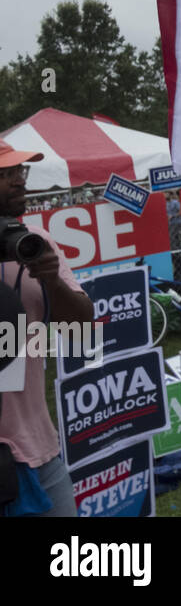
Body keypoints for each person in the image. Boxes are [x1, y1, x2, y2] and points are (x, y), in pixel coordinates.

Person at [0, 142, 93, 517]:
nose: (19, 181)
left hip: (40, 449)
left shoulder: (35, 243)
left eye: (20, 172)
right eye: (5, 175)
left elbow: (81, 330)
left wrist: (52, 281)